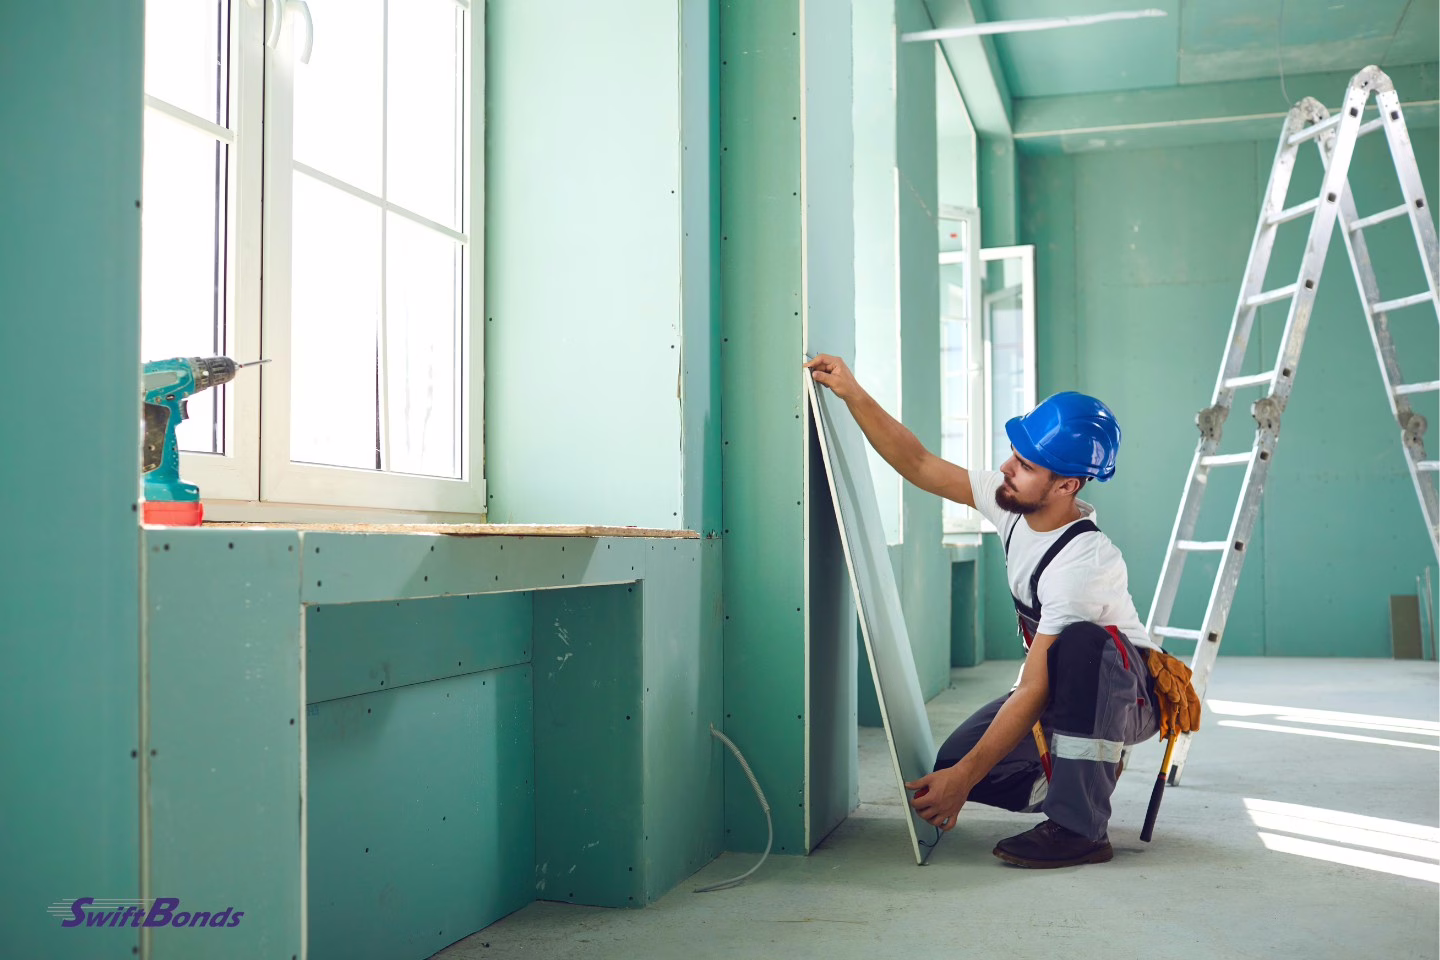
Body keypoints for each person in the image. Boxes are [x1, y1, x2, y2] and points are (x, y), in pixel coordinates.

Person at [805, 353, 1196, 868]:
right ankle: (1073, 780)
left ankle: (1079, 828)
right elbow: (920, 464)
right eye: (1014, 452)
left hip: (1126, 694)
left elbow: (1034, 689)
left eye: (1026, 464)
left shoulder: (1084, 563)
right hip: (1065, 686)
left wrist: (961, 786)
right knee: (953, 763)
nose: (1007, 468)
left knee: (1079, 645)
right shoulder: (1013, 500)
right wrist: (851, 392)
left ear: (1067, 486)